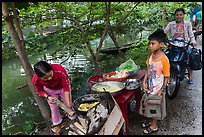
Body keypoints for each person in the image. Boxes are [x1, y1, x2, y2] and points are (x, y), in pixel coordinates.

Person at [32, 61, 76, 135]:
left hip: (62, 88)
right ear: (39, 77)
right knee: (53, 107)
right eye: (45, 78)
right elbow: (39, 90)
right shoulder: (35, 80)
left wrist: (67, 105)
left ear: (51, 69)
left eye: (50, 75)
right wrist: (48, 96)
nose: (49, 78)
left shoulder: (59, 69)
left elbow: (66, 87)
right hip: (50, 91)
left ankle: (73, 119)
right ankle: (57, 125)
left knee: (69, 103)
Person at [142, 29, 170, 134]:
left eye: (153, 43)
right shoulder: (151, 57)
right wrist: (144, 81)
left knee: (156, 107)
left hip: (158, 89)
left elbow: (167, 77)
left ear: (161, 44)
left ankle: (154, 126)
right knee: (150, 105)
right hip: (150, 87)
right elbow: (148, 70)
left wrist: (162, 90)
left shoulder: (164, 60)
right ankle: (151, 121)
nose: (150, 45)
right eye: (149, 43)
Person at [164, 8, 196, 84]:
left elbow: (191, 34)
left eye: (181, 14)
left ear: (183, 15)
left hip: (185, 44)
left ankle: (190, 76)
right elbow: (164, 31)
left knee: (189, 60)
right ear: (175, 16)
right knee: (165, 57)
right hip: (173, 44)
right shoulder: (171, 24)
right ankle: (166, 75)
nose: (179, 16)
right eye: (177, 15)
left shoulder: (188, 24)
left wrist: (193, 41)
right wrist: (160, 37)